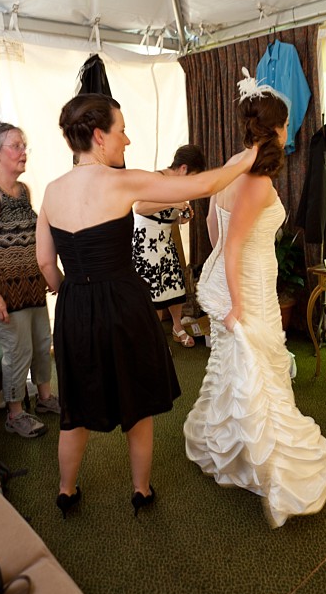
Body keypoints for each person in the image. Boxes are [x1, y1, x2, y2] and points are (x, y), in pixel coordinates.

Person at [36, 93, 257, 519]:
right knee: (135, 402)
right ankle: (140, 490)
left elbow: (46, 262)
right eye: (121, 131)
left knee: (74, 406)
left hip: (74, 306)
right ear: (100, 137)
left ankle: (66, 490)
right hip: (123, 303)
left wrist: (68, 287)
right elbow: (202, 185)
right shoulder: (122, 181)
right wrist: (249, 156)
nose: (128, 140)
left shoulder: (51, 190)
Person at [182, 73, 326, 528]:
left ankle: (228, 445)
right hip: (248, 286)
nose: (290, 133)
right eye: (287, 126)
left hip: (247, 277)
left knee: (238, 364)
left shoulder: (236, 164)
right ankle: (265, 462)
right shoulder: (257, 182)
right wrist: (237, 303)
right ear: (278, 129)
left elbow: (212, 224)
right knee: (258, 367)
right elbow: (230, 246)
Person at [0, 122, 58, 438]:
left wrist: (48, 274)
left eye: (23, 145)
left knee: (42, 345)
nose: (23, 151)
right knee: (17, 351)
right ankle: (15, 414)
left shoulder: (23, 191)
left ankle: (44, 398)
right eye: (15, 145)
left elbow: (33, 237)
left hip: (31, 286)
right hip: (5, 293)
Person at [132, 144, 206, 348]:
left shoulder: (178, 186)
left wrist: (182, 218)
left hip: (165, 241)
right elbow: (139, 206)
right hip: (147, 244)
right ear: (183, 168)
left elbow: (167, 218)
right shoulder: (155, 179)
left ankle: (177, 327)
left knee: (175, 285)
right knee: (154, 291)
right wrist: (173, 204)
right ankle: (152, 335)